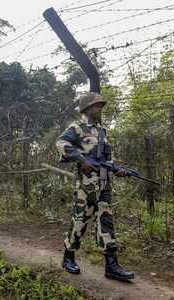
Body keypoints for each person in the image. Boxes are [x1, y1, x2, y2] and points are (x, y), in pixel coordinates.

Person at [56, 92, 134, 281]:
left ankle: (111, 265)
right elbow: (61, 143)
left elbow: (106, 159)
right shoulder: (78, 127)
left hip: (104, 183)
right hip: (86, 186)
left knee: (106, 221)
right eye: (97, 105)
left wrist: (118, 169)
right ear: (87, 109)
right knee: (80, 220)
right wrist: (81, 159)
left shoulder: (102, 131)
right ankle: (68, 256)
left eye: (100, 105)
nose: (100, 108)